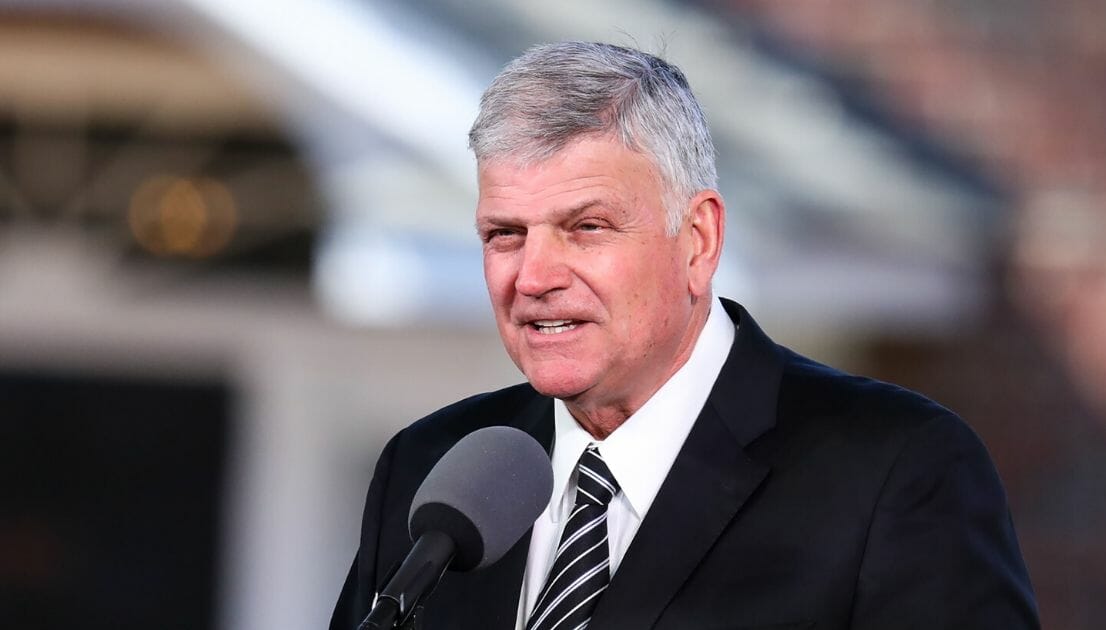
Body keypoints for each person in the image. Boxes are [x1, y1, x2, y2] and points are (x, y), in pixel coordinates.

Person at [330, 41, 1040, 630]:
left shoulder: (897, 472)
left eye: (586, 227)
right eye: (505, 235)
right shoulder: (432, 473)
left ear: (697, 240)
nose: (535, 275)